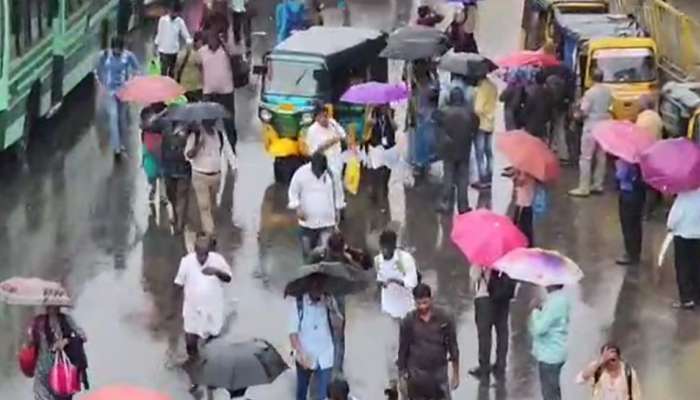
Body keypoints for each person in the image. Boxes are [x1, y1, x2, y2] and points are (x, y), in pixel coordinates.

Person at [174, 233, 232, 360]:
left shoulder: (218, 260)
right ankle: (193, 362)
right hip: (192, 310)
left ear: (208, 252)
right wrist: (174, 307)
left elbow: (228, 278)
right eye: (199, 255)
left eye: (204, 255)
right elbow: (178, 283)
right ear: (195, 251)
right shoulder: (186, 262)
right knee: (190, 341)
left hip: (212, 310)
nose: (202, 258)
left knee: (213, 342)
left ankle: (210, 361)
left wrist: (216, 272)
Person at [398, 283, 460, 400]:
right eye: (418, 304)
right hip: (416, 377)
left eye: (425, 302)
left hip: (439, 376)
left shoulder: (444, 318)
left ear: (431, 300)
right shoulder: (408, 321)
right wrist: (402, 378)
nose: (422, 307)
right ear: (414, 302)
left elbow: (453, 347)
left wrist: (456, 375)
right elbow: (402, 352)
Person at [288, 274, 343, 400]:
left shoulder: (329, 301)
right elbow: (292, 333)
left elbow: (339, 327)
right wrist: (301, 353)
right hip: (305, 355)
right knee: (301, 392)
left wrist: (333, 309)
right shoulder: (299, 303)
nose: (318, 288)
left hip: (325, 356)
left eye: (320, 285)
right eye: (315, 285)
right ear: (309, 286)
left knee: (323, 395)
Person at [288, 153, 346, 261]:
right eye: (317, 171)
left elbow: (339, 194)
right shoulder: (300, 174)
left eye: (321, 172)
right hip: (307, 223)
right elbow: (293, 192)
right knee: (308, 254)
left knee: (326, 253)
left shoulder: (333, 174)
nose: (319, 174)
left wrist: (338, 211)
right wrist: (298, 208)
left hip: (327, 222)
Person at [184, 119, 237, 235]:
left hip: (216, 175)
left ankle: (208, 226)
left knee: (212, 204)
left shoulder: (219, 134)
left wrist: (234, 167)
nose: (210, 123)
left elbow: (227, 150)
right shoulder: (195, 135)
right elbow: (187, 155)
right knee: (204, 206)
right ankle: (210, 233)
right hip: (200, 175)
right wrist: (198, 146)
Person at [434, 87, 478, 214]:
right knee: (463, 179)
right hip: (464, 149)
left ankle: (445, 203)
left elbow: (435, 119)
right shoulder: (469, 113)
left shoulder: (444, 112)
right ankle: (463, 206)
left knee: (448, 176)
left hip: (448, 150)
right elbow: (475, 128)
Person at [27, 306, 88, 400]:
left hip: (61, 369)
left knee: (61, 396)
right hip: (42, 371)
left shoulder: (65, 319)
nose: (51, 308)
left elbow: (83, 336)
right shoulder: (39, 321)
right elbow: (31, 342)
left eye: (54, 305)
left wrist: (65, 341)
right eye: (49, 305)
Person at [94, 36, 140, 157]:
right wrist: (102, 82)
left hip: (123, 92)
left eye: (119, 50)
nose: (117, 52)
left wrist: (131, 80)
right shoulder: (105, 55)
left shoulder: (128, 56)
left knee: (122, 119)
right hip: (111, 93)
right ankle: (116, 148)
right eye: (115, 49)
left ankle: (123, 142)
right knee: (113, 117)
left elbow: (136, 69)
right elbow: (97, 69)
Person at [569, 70, 612, 197]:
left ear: (591, 78)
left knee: (586, 157)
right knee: (601, 156)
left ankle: (584, 187)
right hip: (604, 125)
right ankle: (598, 184)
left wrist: (576, 115)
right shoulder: (608, 91)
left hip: (591, 125)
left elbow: (584, 111)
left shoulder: (590, 93)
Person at [467, 265, 513, 380]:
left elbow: (475, 275)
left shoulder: (482, 254)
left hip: (485, 297)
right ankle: (500, 364)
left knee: (484, 334)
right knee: (502, 331)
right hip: (503, 297)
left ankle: (484, 367)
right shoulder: (507, 255)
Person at [528, 285, 571, 400]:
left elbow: (539, 329)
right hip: (557, 351)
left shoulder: (553, 303)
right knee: (554, 392)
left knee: (549, 394)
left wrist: (535, 311)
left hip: (549, 355)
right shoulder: (561, 300)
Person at [198, 30, 237, 150]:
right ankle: (212, 147)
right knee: (208, 123)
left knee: (229, 122)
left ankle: (232, 147)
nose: (212, 42)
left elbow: (236, 60)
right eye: (210, 39)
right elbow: (198, 68)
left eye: (214, 39)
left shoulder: (226, 50)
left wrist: (226, 46)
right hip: (209, 92)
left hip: (226, 91)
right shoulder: (201, 52)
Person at [667, 187, 700, 309]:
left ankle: (686, 298)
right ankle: (697, 295)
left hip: (683, 234)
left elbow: (675, 215)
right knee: (697, 265)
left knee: (683, 266)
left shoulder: (684, 194)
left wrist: (670, 226)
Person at [576, 344, 642, 400]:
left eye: (613, 358)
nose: (609, 360)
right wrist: (601, 361)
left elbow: (636, 396)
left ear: (619, 357)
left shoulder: (628, 372)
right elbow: (580, 380)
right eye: (607, 357)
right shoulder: (597, 369)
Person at [407, 59, 439, 177]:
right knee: (422, 141)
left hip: (422, 117)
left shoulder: (421, 85)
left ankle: (420, 163)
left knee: (422, 141)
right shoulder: (419, 85)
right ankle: (421, 163)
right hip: (422, 117)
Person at [162, 122, 194, 234]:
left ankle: (180, 224)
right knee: (173, 196)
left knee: (181, 196)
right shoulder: (165, 127)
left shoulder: (190, 129)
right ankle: (178, 218)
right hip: (170, 169)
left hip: (181, 170)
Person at [615, 159, 646, 266]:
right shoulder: (640, 159)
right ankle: (635, 252)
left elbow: (621, 175)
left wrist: (618, 167)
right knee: (636, 224)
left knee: (628, 225)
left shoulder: (626, 160)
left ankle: (630, 253)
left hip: (627, 193)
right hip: (638, 193)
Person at [366, 105, 397, 207]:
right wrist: (369, 111)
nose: (384, 108)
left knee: (388, 168)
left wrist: (389, 116)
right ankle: (374, 190)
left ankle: (385, 188)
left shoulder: (391, 112)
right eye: (382, 106)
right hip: (376, 144)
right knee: (376, 169)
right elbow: (368, 123)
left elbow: (395, 127)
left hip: (389, 145)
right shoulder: (374, 113)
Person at [305, 105, 348, 179]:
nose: (324, 119)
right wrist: (332, 141)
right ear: (316, 118)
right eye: (321, 116)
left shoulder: (332, 123)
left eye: (325, 116)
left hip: (337, 160)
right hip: (324, 164)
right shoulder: (312, 130)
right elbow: (315, 151)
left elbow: (343, 135)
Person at [155, 2, 193, 78]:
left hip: (174, 51)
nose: (174, 14)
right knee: (163, 72)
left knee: (172, 72)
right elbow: (159, 33)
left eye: (176, 13)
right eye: (172, 12)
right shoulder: (163, 20)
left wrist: (189, 42)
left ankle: (171, 87)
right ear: (169, 10)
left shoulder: (180, 22)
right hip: (163, 50)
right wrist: (156, 45)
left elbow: (186, 35)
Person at [473, 75, 498, 189]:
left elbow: (478, 108)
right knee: (489, 151)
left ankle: (482, 178)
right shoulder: (493, 86)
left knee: (480, 153)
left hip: (481, 124)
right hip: (491, 122)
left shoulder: (482, 88)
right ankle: (490, 174)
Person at [510, 167, 536, 245]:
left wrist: (514, 178)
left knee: (522, 227)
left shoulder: (526, 174)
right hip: (523, 204)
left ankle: (525, 244)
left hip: (523, 205)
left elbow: (519, 183)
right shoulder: (529, 173)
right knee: (525, 228)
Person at [175, 31, 204, 102]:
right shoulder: (197, 54)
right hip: (195, 86)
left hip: (184, 85)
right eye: (201, 42)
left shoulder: (184, 51)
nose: (202, 45)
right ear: (198, 41)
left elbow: (177, 67)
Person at [522, 73, 552, 140]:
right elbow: (549, 108)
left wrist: (523, 120)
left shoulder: (530, 91)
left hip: (531, 123)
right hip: (542, 123)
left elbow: (527, 108)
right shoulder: (548, 93)